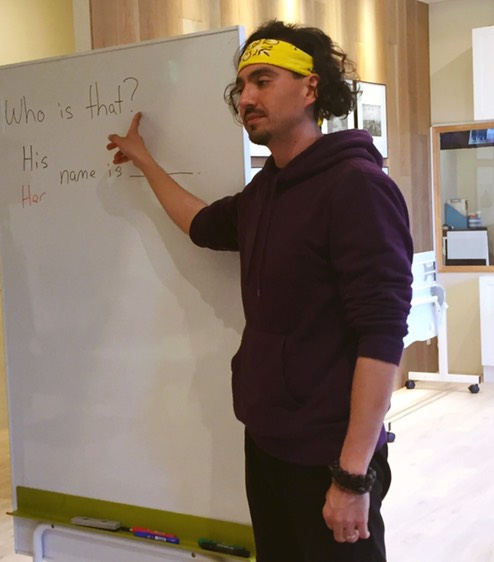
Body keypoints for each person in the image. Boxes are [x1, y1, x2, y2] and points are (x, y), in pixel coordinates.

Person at [106, 19, 412, 562]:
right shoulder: (267, 190)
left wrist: (352, 477)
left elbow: (383, 335)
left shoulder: (357, 187)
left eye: (263, 81)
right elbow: (202, 224)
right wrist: (146, 161)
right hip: (268, 442)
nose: (246, 97)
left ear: (311, 87)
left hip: (329, 456)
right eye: (242, 85)